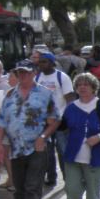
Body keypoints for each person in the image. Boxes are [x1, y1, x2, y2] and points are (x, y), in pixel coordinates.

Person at [0, 59, 57, 199]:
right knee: (19, 188)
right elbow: (1, 122)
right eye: (19, 73)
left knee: (32, 186)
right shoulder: (10, 95)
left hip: (37, 148)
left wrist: (43, 137)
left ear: (34, 73)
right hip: (16, 149)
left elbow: (55, 120)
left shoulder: (46, 94)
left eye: (26, 73)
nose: (22, 76)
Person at [34, 52, 74, 186]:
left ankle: (68, 178)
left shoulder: (62, 77)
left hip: (60, 120)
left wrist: (67, 117)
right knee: (47, 152)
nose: (41, 64)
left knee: (63, 150)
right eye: (40, 62)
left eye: (44, 62)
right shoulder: (37, 77)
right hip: (44, 121)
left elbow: (70, 99)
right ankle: (51, 178)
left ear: (52, 63)